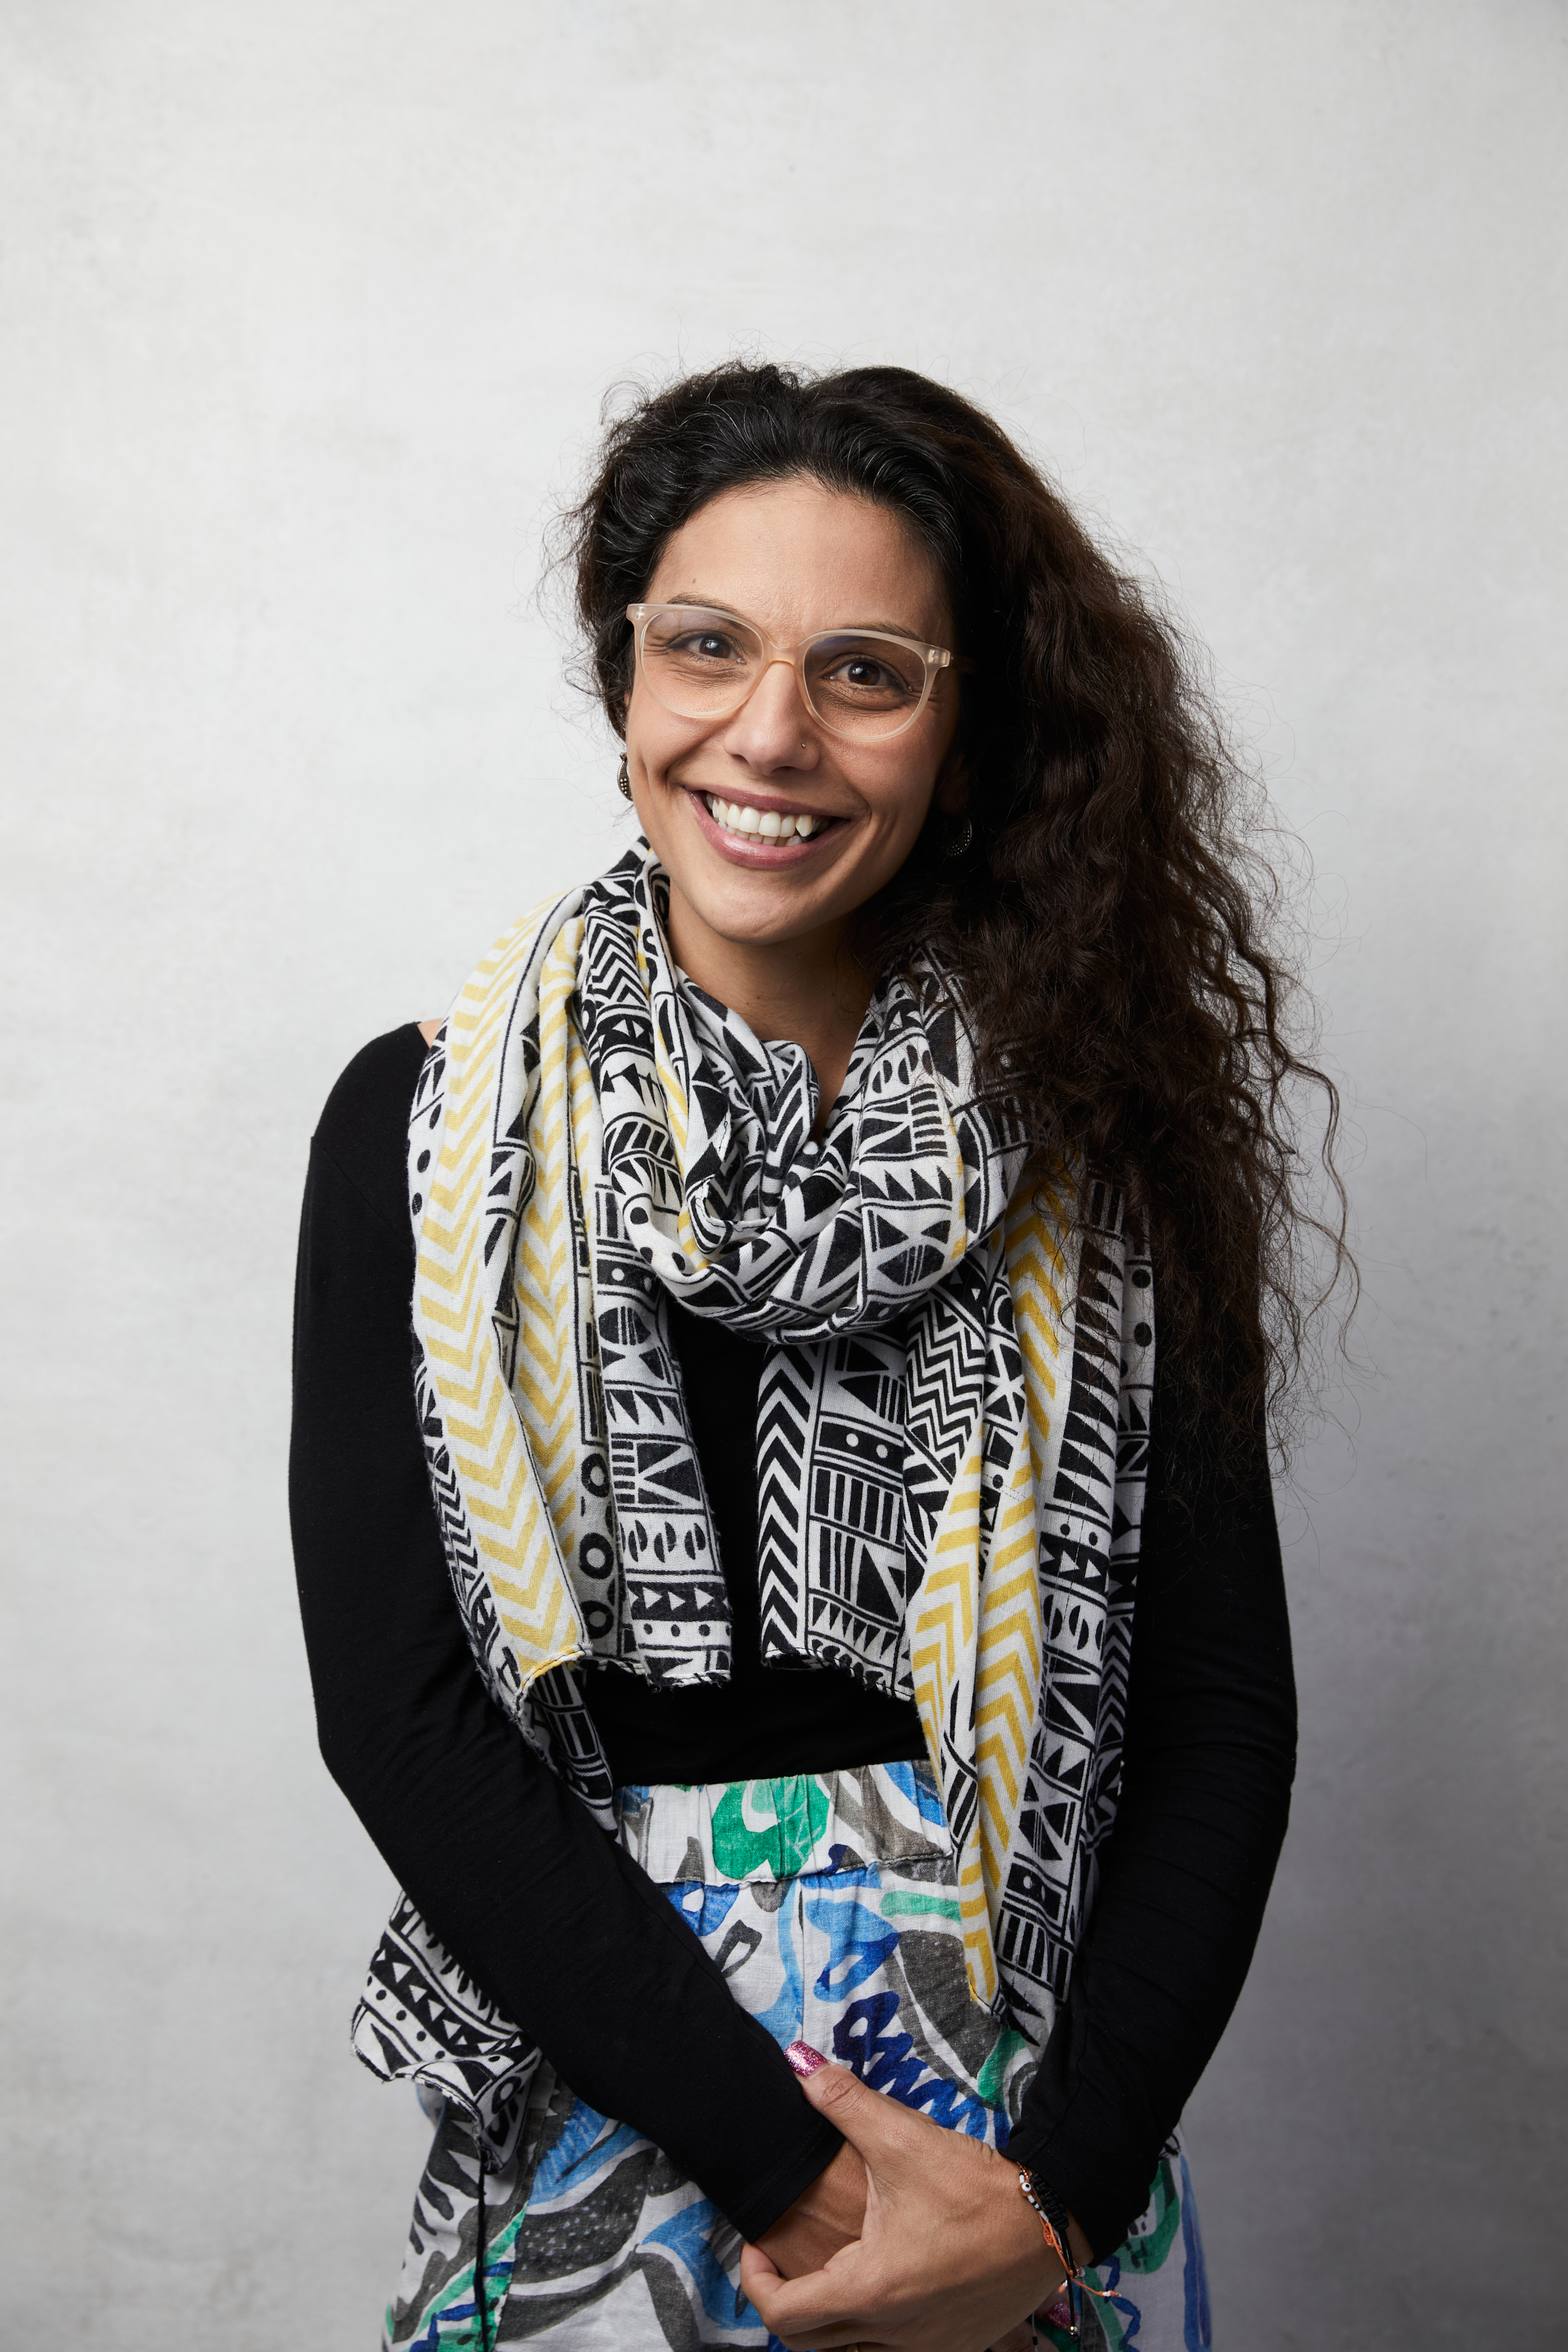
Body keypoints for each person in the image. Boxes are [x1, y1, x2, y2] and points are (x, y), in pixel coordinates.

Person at [291, 361, 1327, 2352]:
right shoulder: (421, 1130)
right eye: (706, 646)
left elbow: (1218, 1724)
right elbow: (403, 1717)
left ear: (965, 727)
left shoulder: (1100, 1145)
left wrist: (1045, 2208)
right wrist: (816, 2185)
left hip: (1037, 2117)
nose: (768, 732)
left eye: (865, 670)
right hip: (625, 2091)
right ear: (622, 682)